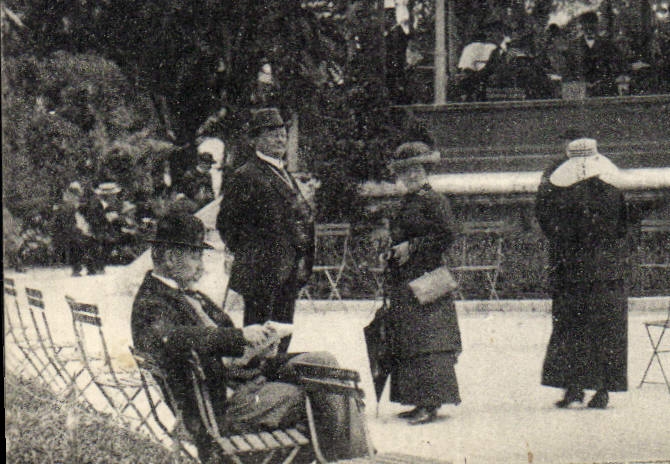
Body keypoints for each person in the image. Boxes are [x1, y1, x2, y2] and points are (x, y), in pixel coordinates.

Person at [131, 213, 369, 460]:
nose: (201, 266)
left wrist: (259, 344)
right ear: (170, 258)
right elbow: (178, 338)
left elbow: (214, 338)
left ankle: (349, 457)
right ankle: (351, 459)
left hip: (242, 376)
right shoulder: (152, 302)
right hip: (224, 402)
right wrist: (240, 337)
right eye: (196, 256)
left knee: (323, 361)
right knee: (329, 390)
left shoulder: (183, 294)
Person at [536, 137, 631, 408]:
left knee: (570, 330)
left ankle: (573, 388)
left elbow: (548, 226)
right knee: (606, 332)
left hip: (571, 271)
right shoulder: (613, 190)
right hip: (607, 271)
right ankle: (602, 390)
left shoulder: (560, 195)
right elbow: (624, 228)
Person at [380, 141, 462, 424]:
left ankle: (430, 403)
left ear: (426, 170)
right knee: (410, 341)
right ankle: (417, 401)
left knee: (429, 343)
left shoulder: (434, 200)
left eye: (416, 170)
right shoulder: (410, 201)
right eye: (405, 172)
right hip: (408, 279)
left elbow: (447, 234)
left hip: (427, 280)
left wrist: (411, 247)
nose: (410, 176)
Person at [217, 109, 315, 338]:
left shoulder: (283, 173)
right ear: (255, 141)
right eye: (272, 135)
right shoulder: (247, 175)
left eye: (282, 134)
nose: (280, 139)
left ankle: (274, 372)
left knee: (281, 333)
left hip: (288, 268)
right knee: (260, 336)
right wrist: (254, 252)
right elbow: (227, 223)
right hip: (262, 272)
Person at [52, 181, 88, 276]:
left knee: (76, 245)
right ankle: (77, 268)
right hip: (70, 228)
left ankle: (77, 267)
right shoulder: (70, 201)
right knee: (76, 245)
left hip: (69, 227)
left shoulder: (69, 200)